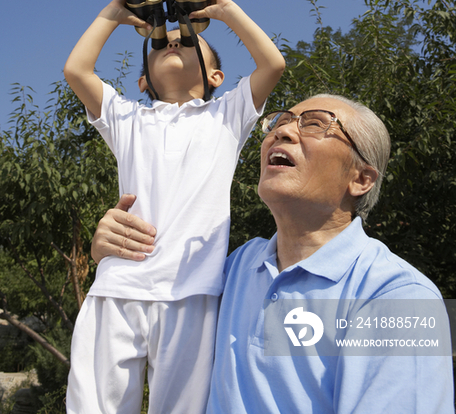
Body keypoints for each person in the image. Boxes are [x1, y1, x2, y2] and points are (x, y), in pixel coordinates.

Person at [92, 94, 455, 414]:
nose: (281, 132)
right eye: (279, 122)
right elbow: (154, 291)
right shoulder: (233, 269)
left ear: (360, 179)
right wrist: (112, 252)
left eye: (315, 124)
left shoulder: (399, 298)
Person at [63, 0, 286, 414]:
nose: (173, 41)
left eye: (187, 38)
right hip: (119, 285)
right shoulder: (127, 117)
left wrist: (225, 10)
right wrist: (113, 13)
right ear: (144, 80)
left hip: (193, 290)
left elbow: (272, 63)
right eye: (162, 42)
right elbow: (77, 70)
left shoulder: (227, 114)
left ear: (216, 77)